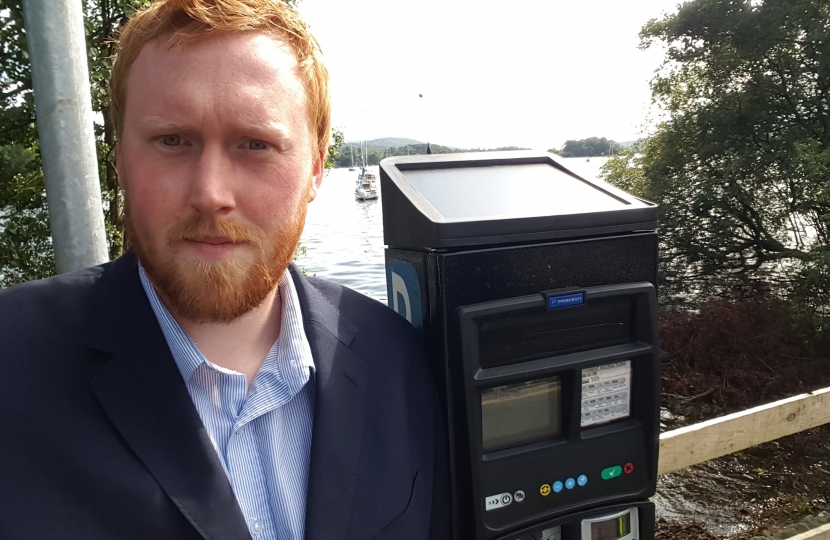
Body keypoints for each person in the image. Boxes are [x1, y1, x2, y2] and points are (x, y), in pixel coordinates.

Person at [0, 1, 449, 539]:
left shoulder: (397, 356)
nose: (211, 194)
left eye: (255, 144)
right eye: (172, 140)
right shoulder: (11, 360)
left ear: (314, 168)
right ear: (119, 158)